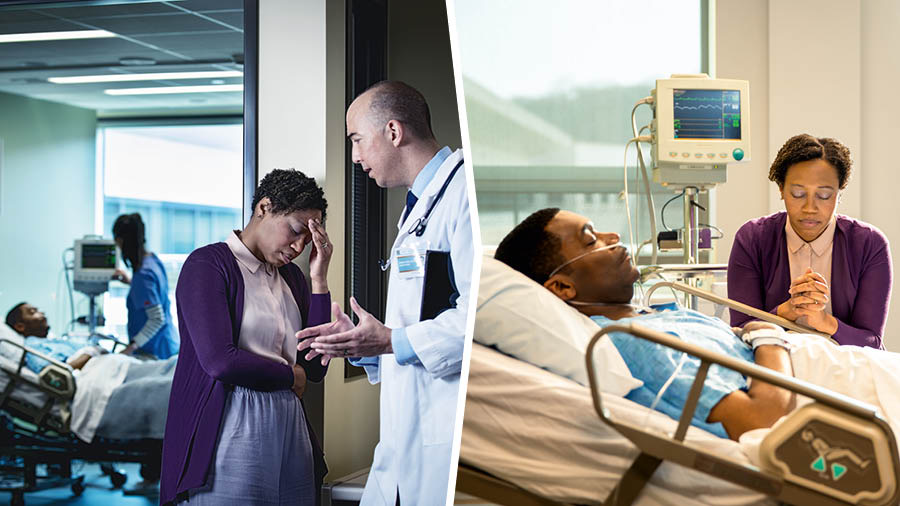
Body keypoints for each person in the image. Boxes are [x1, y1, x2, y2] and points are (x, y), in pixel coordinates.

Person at [496, 208, 870, 441]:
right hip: (846, 397)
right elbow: (761, 420)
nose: (613, 238)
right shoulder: (633, 343)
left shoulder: (653, 317)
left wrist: (764, 332)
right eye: (591, 239)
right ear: (562, 286)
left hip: (851, 375)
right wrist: (771, 337)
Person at [297, 81, 473, 505]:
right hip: (403, 444)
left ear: (393, 132)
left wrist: (391, 340)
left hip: (444, 447)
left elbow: (480, 319)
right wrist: (363, 345)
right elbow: (423, 328)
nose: (355, 156)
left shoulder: (465, 192)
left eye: (357, 140)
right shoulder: (421, 206)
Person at [160, 170, 333, 506]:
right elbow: (219, 360)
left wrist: (319, 279)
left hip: (289, 426)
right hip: (233, 421)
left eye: (308, 241)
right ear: (263, 208)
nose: (299, 247)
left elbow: (314, 369)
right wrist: (289, 374)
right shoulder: (208, 265)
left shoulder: (292, 278)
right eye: (296, 231)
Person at [728, 134, 891, 348]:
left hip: (846, 366)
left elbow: (872, 342)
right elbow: (741, 331)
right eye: (797, 194)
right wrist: (787, 311)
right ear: (781, 190)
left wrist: (825, 322)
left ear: (839, 193)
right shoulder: (752, 239)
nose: (810, 208)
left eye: (823, 196)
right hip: (774, 364)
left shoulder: (870, 244)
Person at [112, 213, 179, 359]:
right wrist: (130, 282)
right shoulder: (153, 261)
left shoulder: (142, 275)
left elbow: (156, 318)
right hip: (167, 344)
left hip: (155, 352)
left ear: (121, 241)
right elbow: (154, 294)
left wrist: (130, 348)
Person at [5, 302, 100, 371]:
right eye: (33, 312)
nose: (42, 313)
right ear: (20, 326)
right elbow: (53, 372)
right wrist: (90, 353)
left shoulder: (52, 341)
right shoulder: (33, 344)